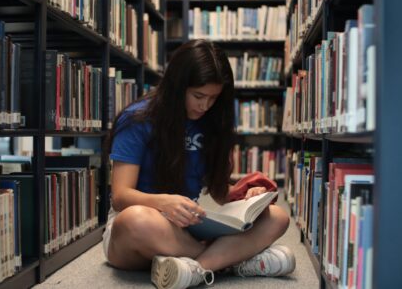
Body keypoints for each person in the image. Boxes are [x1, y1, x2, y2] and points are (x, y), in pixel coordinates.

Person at [102, 39, 295, 289]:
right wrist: (163, 202)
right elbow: (120, 196)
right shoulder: (138, 119)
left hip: (188, 228)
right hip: (143, 229)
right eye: (198, 96)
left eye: (213, 98)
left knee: (277, 218)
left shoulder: (212, 121)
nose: (205, 105)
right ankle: (230, 261)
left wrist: (247, 198)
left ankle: (194, 268)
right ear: (177, 87)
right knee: (136, 220)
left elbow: (218, 192)